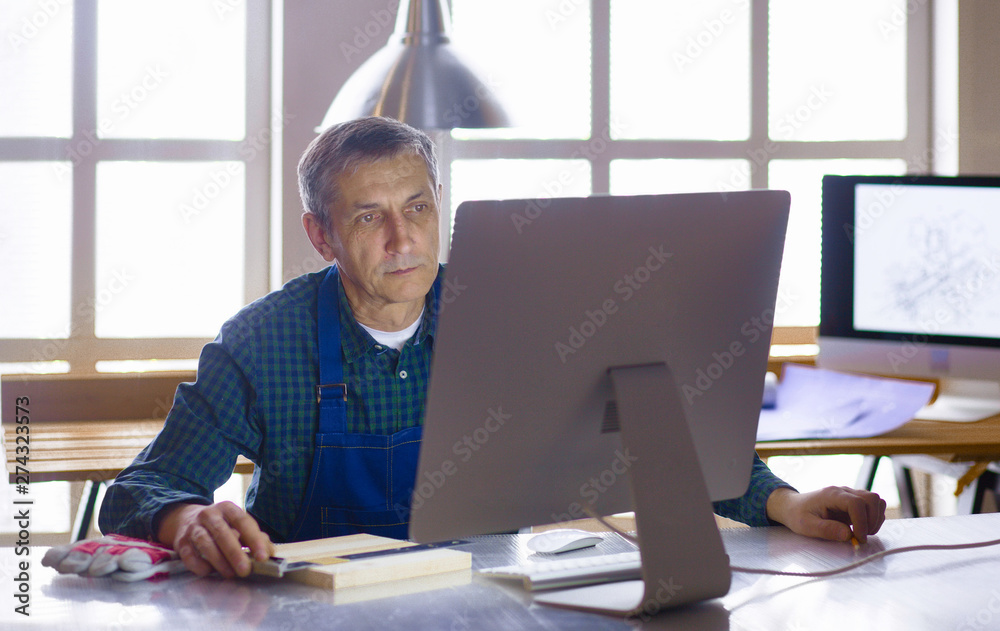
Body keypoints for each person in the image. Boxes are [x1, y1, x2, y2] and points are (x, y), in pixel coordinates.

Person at [99, 116, 886, 580]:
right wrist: (185, 518)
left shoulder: (510, 305)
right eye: (369, 217)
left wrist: (783, 502)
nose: (405, 239)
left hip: (485, 600)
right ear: (321, 233)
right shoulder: (264, 340)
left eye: (417, 206)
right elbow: (139, 489)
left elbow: (654, 423)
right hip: (309, 615)